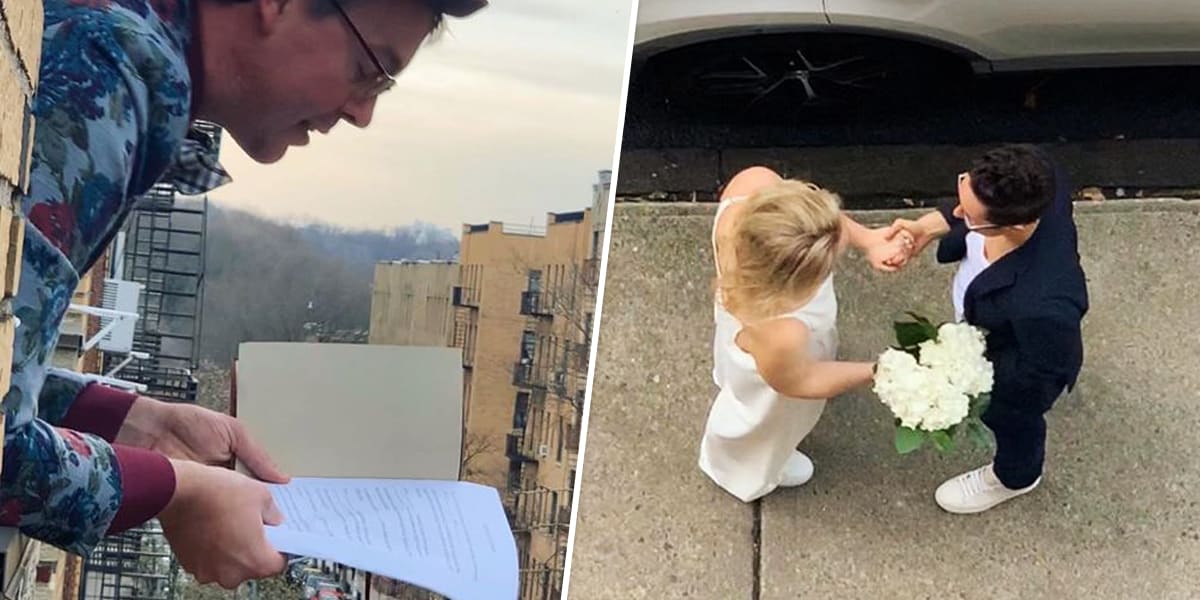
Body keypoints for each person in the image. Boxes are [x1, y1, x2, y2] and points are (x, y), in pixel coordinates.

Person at [3, 0, 485, 589]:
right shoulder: (102, 75)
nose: (363, 114)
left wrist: (139, 424)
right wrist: (178, 493)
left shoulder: (117, 50)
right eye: (369, 71)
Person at [698, 166, 913, 502]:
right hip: (780, 370)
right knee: (762, 417)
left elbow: (821, 221)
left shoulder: (752, 191)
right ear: (794, 284)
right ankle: (744, 467)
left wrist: (870, 239)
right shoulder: (782, 332)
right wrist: (879, 370)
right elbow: (800, 380)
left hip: (759, 340)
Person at [892, 144, 1088, 513]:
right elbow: (969, 205)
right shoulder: (1034, 171)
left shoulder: (1045, 306)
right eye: (963, 188)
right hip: (988, 313)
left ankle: (1016, 476)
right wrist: (927, 228)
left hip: (1012, 356)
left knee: (1013, 418)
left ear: (1014, 225)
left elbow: (1040, 374)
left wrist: (971, 384)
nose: (955, 211)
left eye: (969, 216)